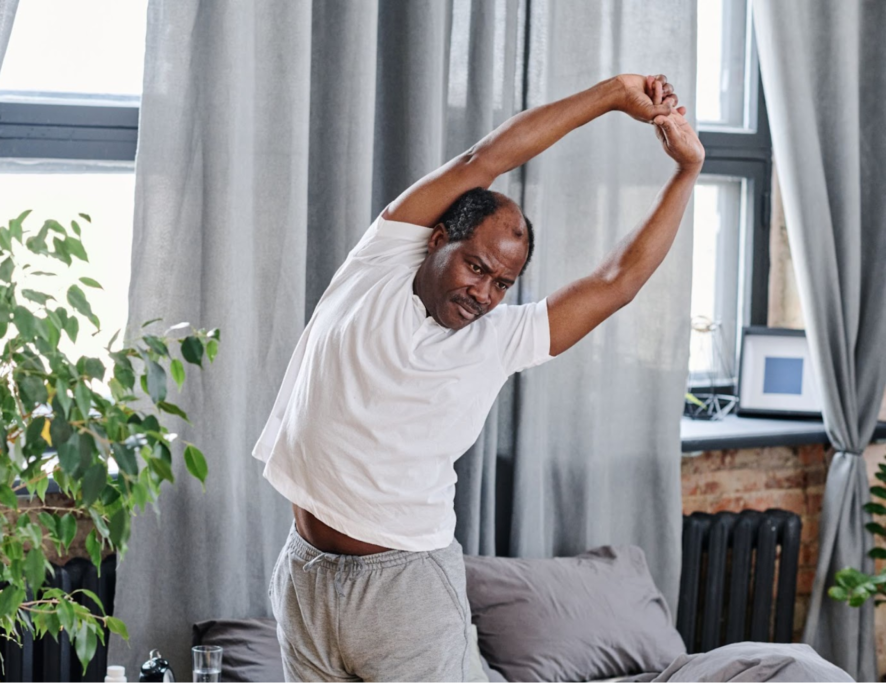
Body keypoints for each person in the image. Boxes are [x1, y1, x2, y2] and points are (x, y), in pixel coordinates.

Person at [253, 73, 704, 682]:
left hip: (404, 590)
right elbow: (485, 158)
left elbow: (616, 282)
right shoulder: (380, 260)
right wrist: (610, 95)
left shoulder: (500, 339)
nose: (483, 293)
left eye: (502, 284)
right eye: (476, 266)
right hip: (305, 573)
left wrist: (686, 173)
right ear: (438, 239)